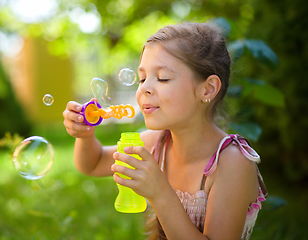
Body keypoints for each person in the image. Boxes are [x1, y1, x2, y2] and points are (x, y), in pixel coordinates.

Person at [63, 22, 267, 240]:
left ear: (207, 89)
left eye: (162, 78)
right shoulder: (155, 143)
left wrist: (160, 193)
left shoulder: (232, 163)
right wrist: (85, 136)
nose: (144, 88)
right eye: (142, 78)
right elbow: (92, 164)